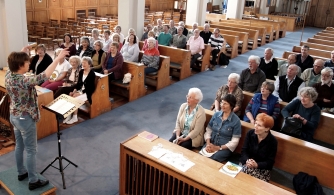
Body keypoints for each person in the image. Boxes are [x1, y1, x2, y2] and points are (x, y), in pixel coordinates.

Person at [5, 46, 69, 190]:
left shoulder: (9, 74)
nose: (29, 64)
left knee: (19, 146)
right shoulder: (23, 80)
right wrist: (58, 59)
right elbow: (45, 75)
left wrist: (22, 51)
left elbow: (14, 62)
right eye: (26, 62)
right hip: (25, 119)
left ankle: (21, 172)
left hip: (14, 115)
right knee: (31, 150)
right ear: (20, 66)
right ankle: (33, 180)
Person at [200, 94, 241, 162]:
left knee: (211, 160)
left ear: (231, 106)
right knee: (200, 156)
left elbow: (235, 141)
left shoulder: (236, 121)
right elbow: (209, 130)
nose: (222, 105)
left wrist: (218, 148)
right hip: (211, 143)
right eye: (221, 102)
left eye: (225, 103)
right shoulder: (216, 115)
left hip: (224, 148)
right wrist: (208, 143)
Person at [240, 113, 277, 182]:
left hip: (262, 169)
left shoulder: (272, 141)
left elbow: (270, 162)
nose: (255, 127)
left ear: (267, 129)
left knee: (244, 175)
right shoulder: (250, 133)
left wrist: (257, 165)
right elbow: (244, 151)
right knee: (243, 172)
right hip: (247, 163)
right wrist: (247, 161)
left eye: (259, 125)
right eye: (256, 123)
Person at [63, 57, 96, 125]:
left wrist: (80, 93)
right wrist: (75, 91)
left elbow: (90, 87)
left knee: (75, 99)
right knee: (70, 95)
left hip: (87, 92)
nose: (83, 64)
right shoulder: (81, 71)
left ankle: (75, 118)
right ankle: (69, 115)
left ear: (89, 64)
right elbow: (79, 84)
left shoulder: (92, 74)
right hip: (80, 91)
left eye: (85, 63)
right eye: (82, 62)